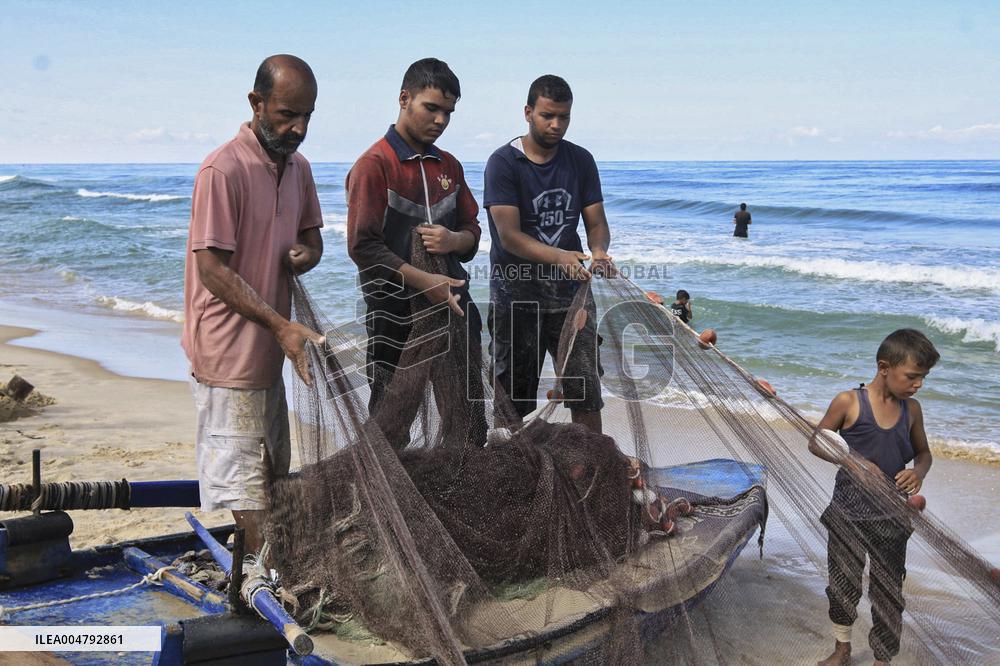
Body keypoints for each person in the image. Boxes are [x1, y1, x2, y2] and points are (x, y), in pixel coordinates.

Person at [182, 55, 325, 553]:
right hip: (227, 355)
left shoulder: (299, 168)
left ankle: (266, 569)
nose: (298, 127)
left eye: (307, 115)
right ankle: (261, 585)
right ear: (256, 103)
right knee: (247, 491)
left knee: (272, 477)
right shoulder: (222, 170)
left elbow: (313, 240)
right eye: (287, 114)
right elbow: (213, 270)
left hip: (270, 357)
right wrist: (280, 324)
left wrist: (307, 254)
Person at [345, 58, 486, 443]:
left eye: (449, 112)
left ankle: (461, 492)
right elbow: (363, 247)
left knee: (468, 414)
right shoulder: (374, 165)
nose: (440, 120)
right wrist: (424, 282)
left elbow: (472, 230)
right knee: (391, 418)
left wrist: (454, 241)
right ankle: (390, 499)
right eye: (432, 108)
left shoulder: (450, 166)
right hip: (394, 311)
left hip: (455, 306)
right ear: (404, 98)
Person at [484, 75, 611, 434]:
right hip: (516, 298)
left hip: (572, 299)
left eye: (564, 117)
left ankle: (590, 468)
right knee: (511, 400)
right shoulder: (503, 163)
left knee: (584, 392)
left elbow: (597, 222)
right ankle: (508, 471)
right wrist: (560, 257)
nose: (556, 125)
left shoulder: (581, 161)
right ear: (528, 113)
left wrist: (599, 250)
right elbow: (509, 236)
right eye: (547, 115)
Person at [808, 329, 938, 666]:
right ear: (884, 367)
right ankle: (842, 648)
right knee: (842, 584)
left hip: (891, 518)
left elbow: (924, 454)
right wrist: (853, 462)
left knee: (888, 592)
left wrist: (918, 473)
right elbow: (816, 441)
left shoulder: (912, 411)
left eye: (922, 377)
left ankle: (883, 659)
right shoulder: (849, 402)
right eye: (912, 376)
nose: (918, 384)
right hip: (847, 513)